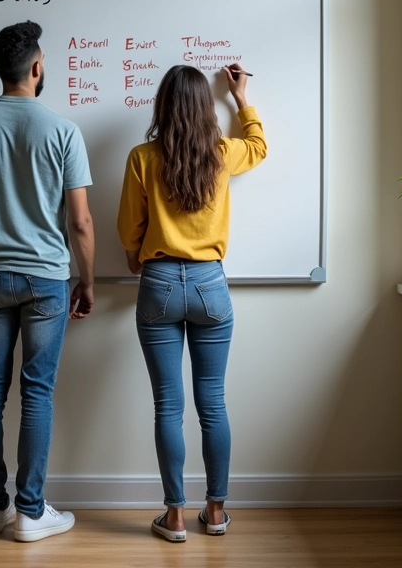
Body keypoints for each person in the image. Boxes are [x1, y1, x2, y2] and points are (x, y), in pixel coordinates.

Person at [0, 20, 95, 543]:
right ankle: (30, 512)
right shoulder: (63, 131)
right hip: (47, 279)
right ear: (36, 67)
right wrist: (87, 282)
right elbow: (80, 223)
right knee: (37, 392)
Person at [116, 63, 266, 542]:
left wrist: (135, 256)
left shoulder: (142, 157)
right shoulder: (223, 153)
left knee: (168, 406)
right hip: (210, 285)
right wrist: (241, 98)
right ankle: (216, 512)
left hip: (158, 282)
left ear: (162, 105)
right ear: (206, 107)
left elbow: (128, 228)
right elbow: (259, 146)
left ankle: (175, 517)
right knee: (213, 403)